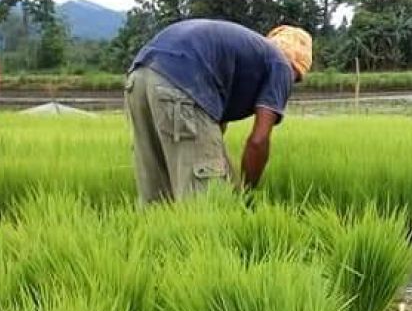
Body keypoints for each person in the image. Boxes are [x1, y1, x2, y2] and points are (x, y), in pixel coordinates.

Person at [125, 20, 312, 204]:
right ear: (297, 66)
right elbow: (259, 140)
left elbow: (214, 124)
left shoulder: (247, 53)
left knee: (158, 197)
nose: (290, 84)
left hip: (139, 76)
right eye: (296, 79)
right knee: (211, 200)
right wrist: (247, 192)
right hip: (181, 83)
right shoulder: (281, 64)